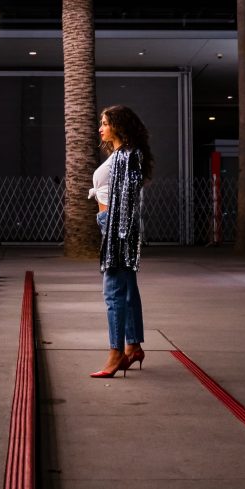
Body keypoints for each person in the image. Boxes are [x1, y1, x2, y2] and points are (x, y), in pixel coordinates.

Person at [88, 104, 153, 378]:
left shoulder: (130, 155)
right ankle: (133, 346)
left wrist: (118, 235)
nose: (100, 128)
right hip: (112, 227)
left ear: (118, 125)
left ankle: (115, 353)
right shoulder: (119, 155)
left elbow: (128, 199)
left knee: (112, 293)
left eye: (104, 123)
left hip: (117, 230)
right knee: (127, 292)